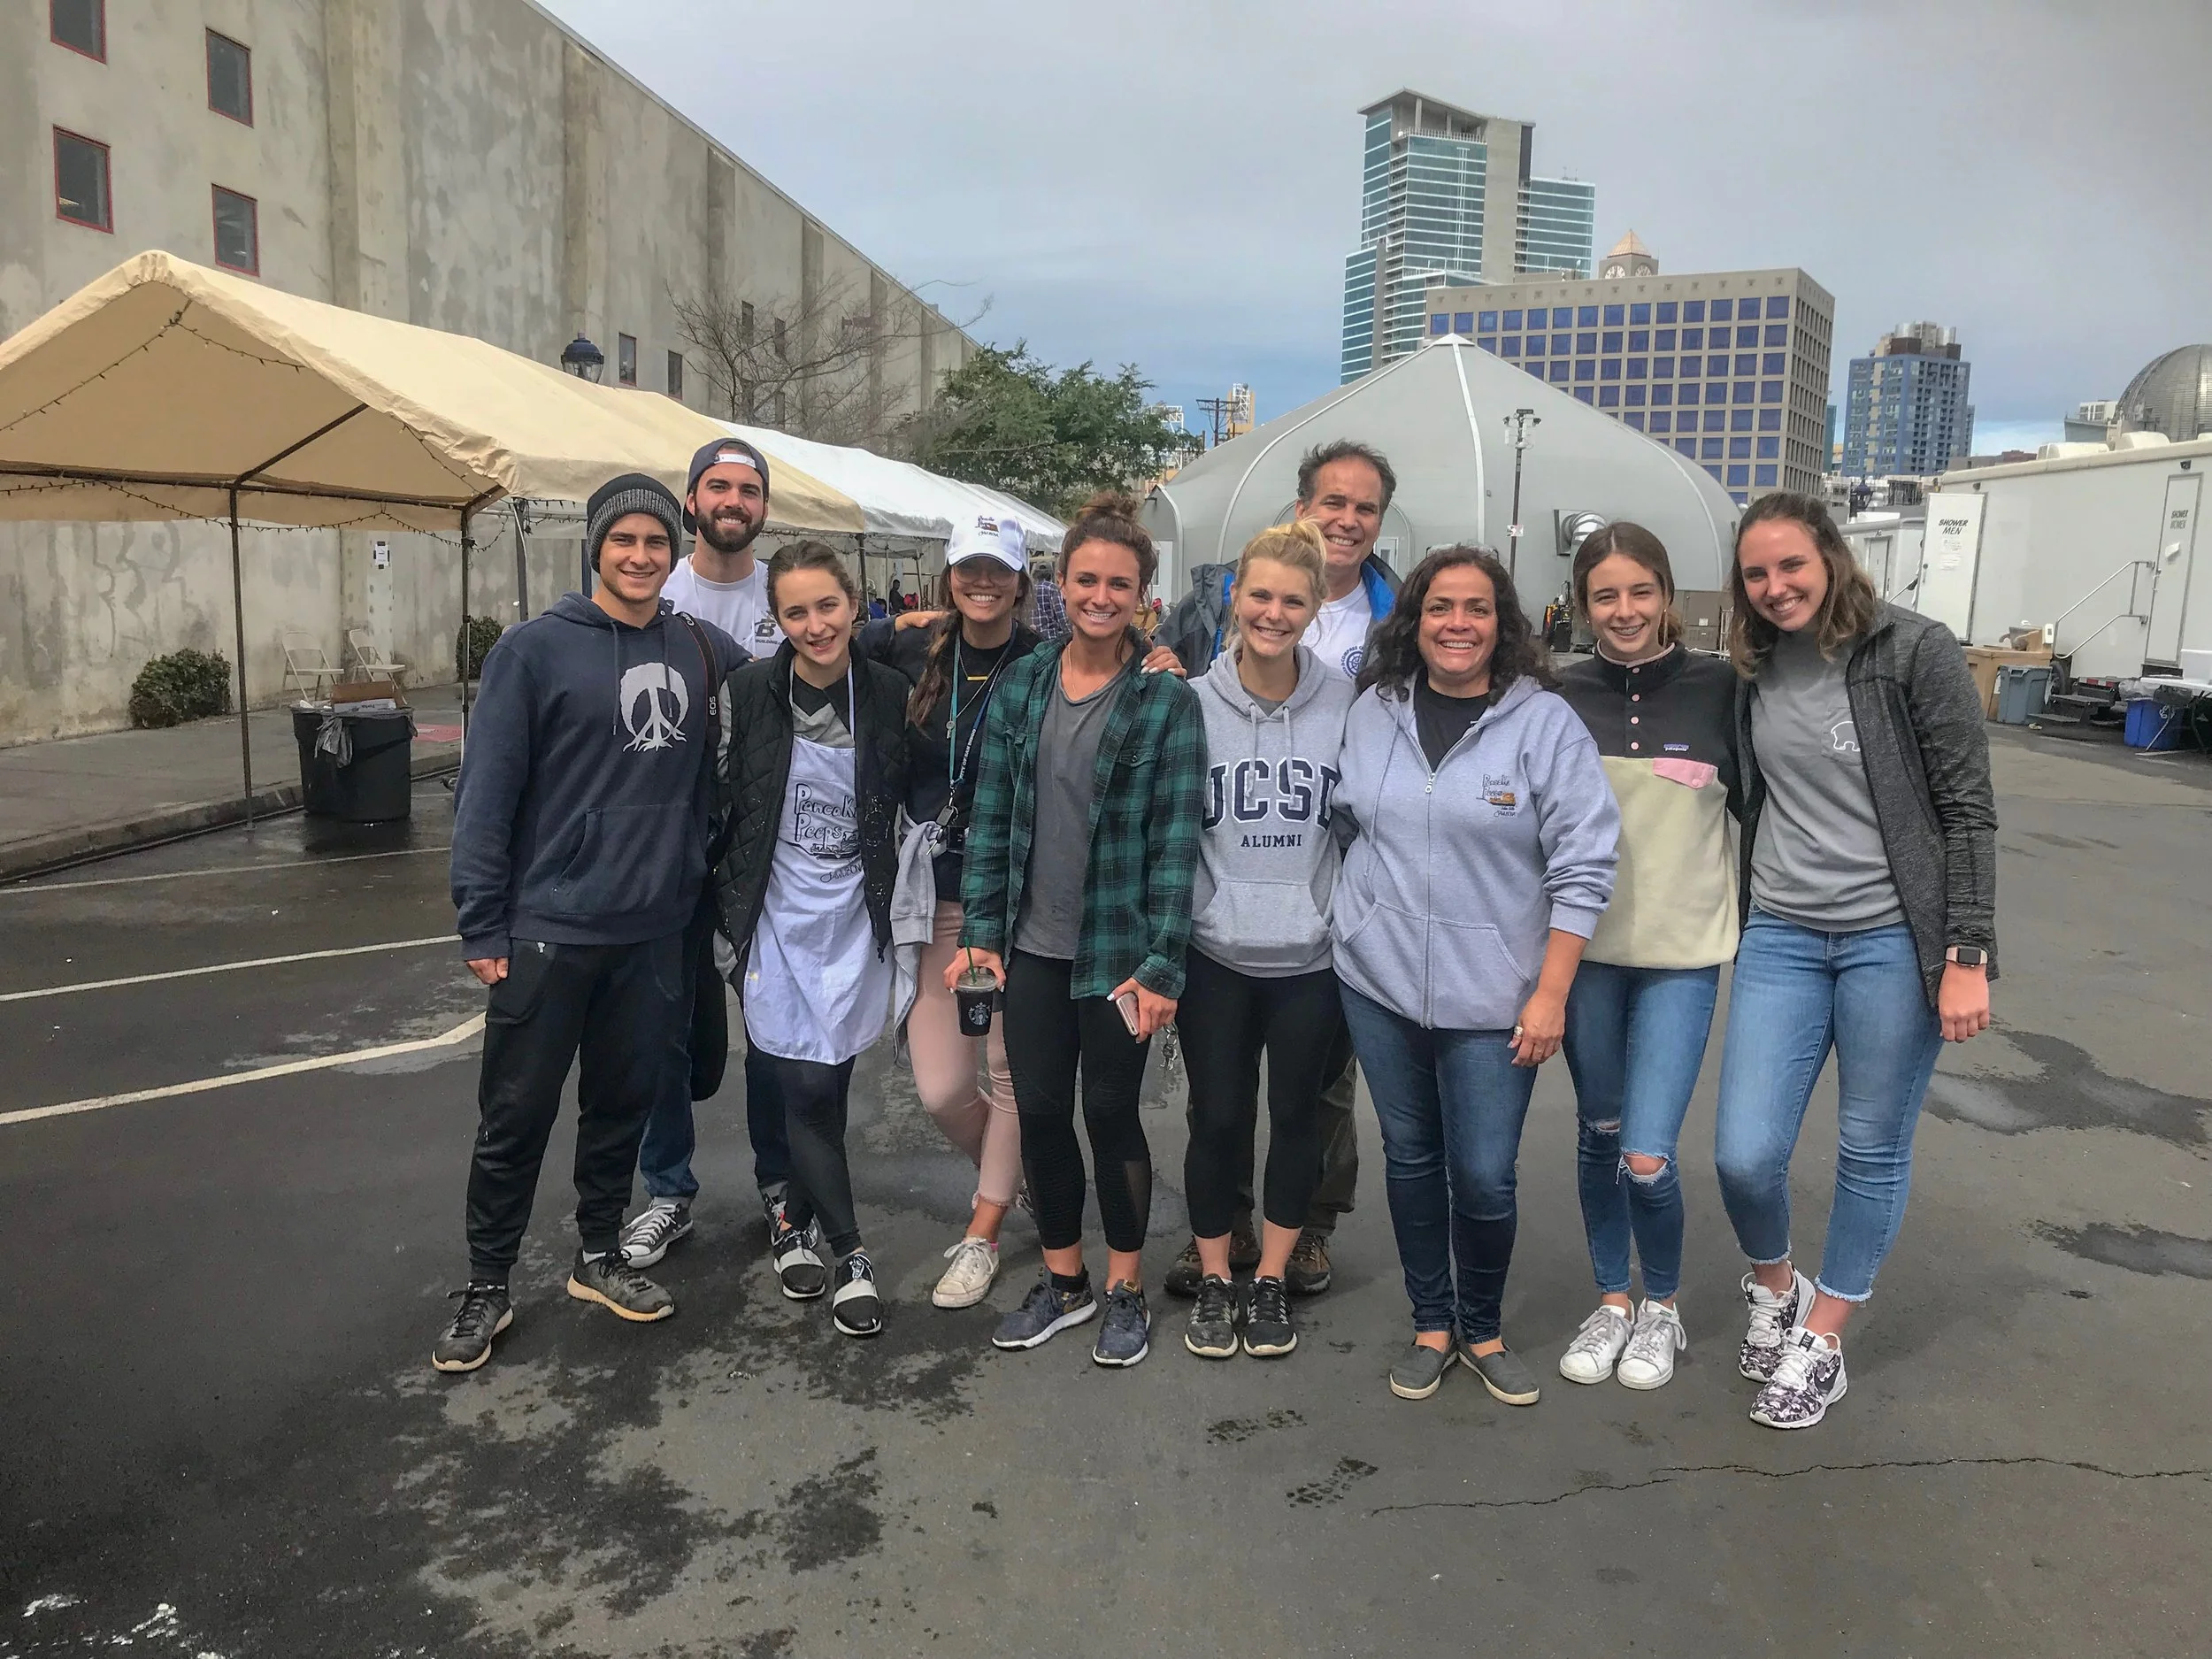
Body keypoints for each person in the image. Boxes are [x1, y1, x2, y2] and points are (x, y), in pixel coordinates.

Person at [435, 474, 741, 1373]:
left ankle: (599, 1253)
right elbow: (487, 794)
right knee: (515, 1115)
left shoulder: (698, 645)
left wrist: (914, 632)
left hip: (654, 929)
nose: (641, 557)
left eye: (656, 542)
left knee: (620, 1107)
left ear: (675, 551)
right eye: (624, 540)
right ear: (596, 548)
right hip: (549, 927)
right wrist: (481, 923)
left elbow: (807, 656)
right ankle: (488, 1282)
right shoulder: (532, 651)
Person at [1717, 491, 1995, 1430]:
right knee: (1744, 1154)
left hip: (1890, 938)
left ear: (1832, 556)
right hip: (1782, 934)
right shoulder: (1754, 666)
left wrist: (1966, 951)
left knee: (1870, 1147)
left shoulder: (1912, 650)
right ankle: (1777, 1286)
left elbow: (1967, 811)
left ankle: (1823, 1339)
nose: (1775, 586)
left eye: (1790, 564)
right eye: (1756, 573)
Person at [1332, 546, 1618, 1405]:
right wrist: (1358, 921)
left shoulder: (1544, 724)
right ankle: (1431, 1324)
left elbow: (1584, 866)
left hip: (1499, 999)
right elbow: (1345, 823)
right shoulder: (1374, 710)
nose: (1457, 624)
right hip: (1378, 982)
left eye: (1476, 608)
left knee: (1486, 1173)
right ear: (1414, 621)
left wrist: (1550, 993)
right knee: (1411, 1158)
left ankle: (1481, 1327)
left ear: (1503, 624)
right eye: (1440, 608)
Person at [957, 493, 1206, 1369]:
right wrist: (981, 932)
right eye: (1086, 580)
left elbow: (1176, 845)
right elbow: (991, 819)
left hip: (1117, 954)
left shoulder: (1164, 700)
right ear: (1059, 584)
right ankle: (1065, 1282)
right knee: (1039, 1113)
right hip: (1030, 948)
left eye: (1120, 584)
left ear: (1143, 596)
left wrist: (1163, 965)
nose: (1101, 596)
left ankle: (1125, 1286)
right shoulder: (1023, 684)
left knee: (1109, 1113)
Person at [1157, 440, 1403, 1302]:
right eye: (1333, 501)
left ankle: (1299, 1240)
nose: (1347, 519)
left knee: (1314, 1103)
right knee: (1217, 1109)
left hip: (1315, 937)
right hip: (1218, 937)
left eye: (1365, 507)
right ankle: (1218, 1236)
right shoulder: (1200, 647)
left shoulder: (1389, 635)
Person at [1553, 524, 1741, 1391]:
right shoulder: (1557, 695)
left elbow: (1771, 804)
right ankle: (1612, 1299)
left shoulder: (1723, 691)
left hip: (1680, 958)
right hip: (1585, 954)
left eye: (1639, 592)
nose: (1623, 611)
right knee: (1599, 1133)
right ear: (1582, 605)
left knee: (1646, 1153)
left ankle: (1661, 1305)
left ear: (1666, 595)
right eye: (1605, 596)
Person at [712, 540, 911, 1338]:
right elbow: (719, 801)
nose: (816, 624)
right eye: (795, 612)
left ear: (854, 603)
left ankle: (793, 1219)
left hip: (855, 917)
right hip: (775, 918)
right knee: (799, 1085)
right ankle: (852, 1253)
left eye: (828, 605)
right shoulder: (748, 692)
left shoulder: (890, 693)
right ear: (777, 619)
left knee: (827, 1085)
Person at [1178, 521, 1356, 1362]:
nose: (1273, 613)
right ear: (1234, 596)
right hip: (1216, 952)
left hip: (1309, 960)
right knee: (1216, 1117)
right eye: (1260, 595)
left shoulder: (1347, 706)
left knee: (1296, 1119)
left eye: (1292, 600)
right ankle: (1218, 1275)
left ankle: (1273, 1277)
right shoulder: (1189, 701)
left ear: (1315, 607)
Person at [855, 515, 1040, 1309]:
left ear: (1021, 582)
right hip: (934, 896)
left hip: (1018, 897)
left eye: (999, 568)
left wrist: (1156, 652)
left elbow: (1122, 667)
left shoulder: (1044, 661)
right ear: (948, 575)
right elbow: (829, 645)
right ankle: (1020, 1174)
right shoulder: (917, 650)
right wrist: (890, 622)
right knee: (939, 1088)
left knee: (1008, 1073)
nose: (983, 581)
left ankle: (984, 1229)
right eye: (969, 566)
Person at [621, 439, 792, 1273]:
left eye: (748, 489)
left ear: (763, 505)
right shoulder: (656, 590)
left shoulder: (786, 593)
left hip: (768, 854)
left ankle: (783, 1186)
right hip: (673, 850)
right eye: (717, 486)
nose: (733, 500)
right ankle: (668, 1190)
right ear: (691, 500)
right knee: (663, 1032)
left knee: (775, 1030)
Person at [1028, 556, 1071, 641]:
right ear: (1050, 574)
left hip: (1032, 638)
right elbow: (1061, 615)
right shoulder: (1052, 588)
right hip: (1050, 637)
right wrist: (1070, 634)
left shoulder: (1029, 590)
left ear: (1035, 574)